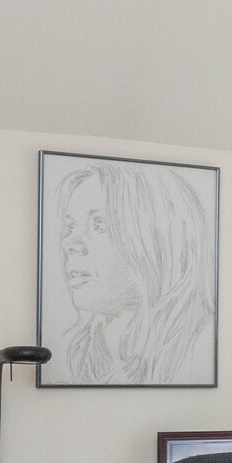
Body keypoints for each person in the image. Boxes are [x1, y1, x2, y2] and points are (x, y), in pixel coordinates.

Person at [51, 159, 216, 384]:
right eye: (71, 227)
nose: (69, 243)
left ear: (157, 241)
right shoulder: (76, 350)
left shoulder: (201, 342)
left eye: (99, 225)